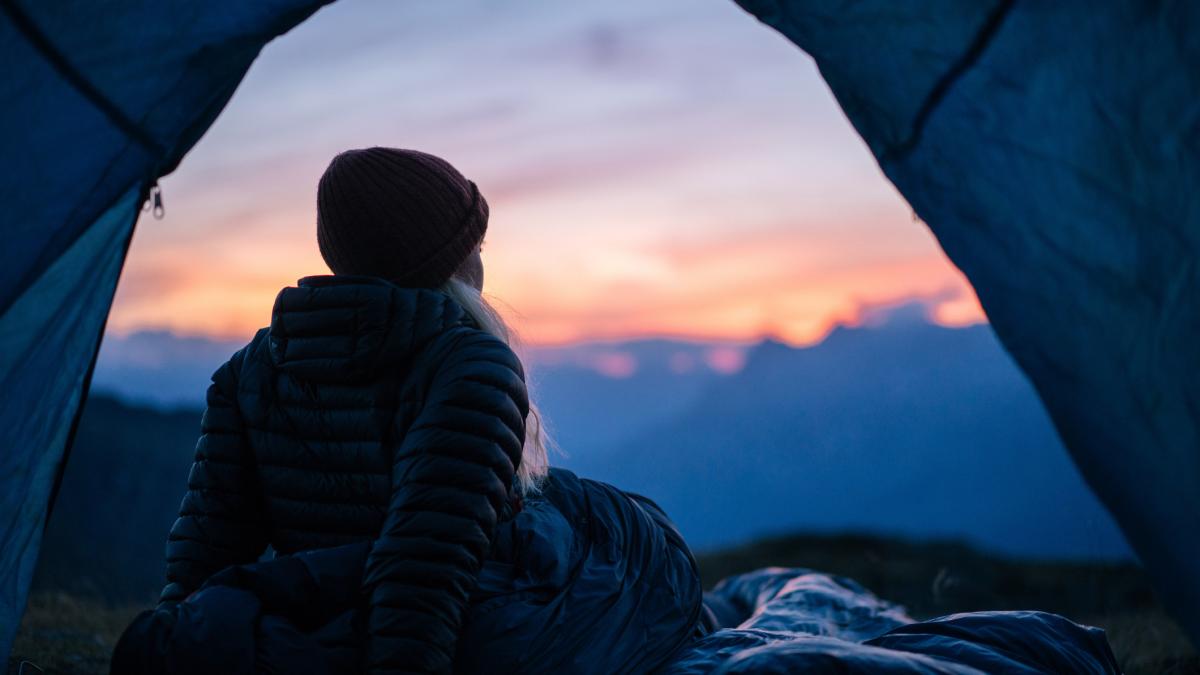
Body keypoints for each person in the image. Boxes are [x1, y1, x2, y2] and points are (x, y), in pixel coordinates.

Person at [111, 148, 703, 675]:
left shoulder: (250, 368)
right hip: (445, 618)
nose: (482, 259)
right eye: (475, 245)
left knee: (576, 503)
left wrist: (177, 637)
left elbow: (208, 544)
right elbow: (426, 568)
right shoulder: (471, 367)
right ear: (446, 262)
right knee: (636, 542)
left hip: (329, 598)